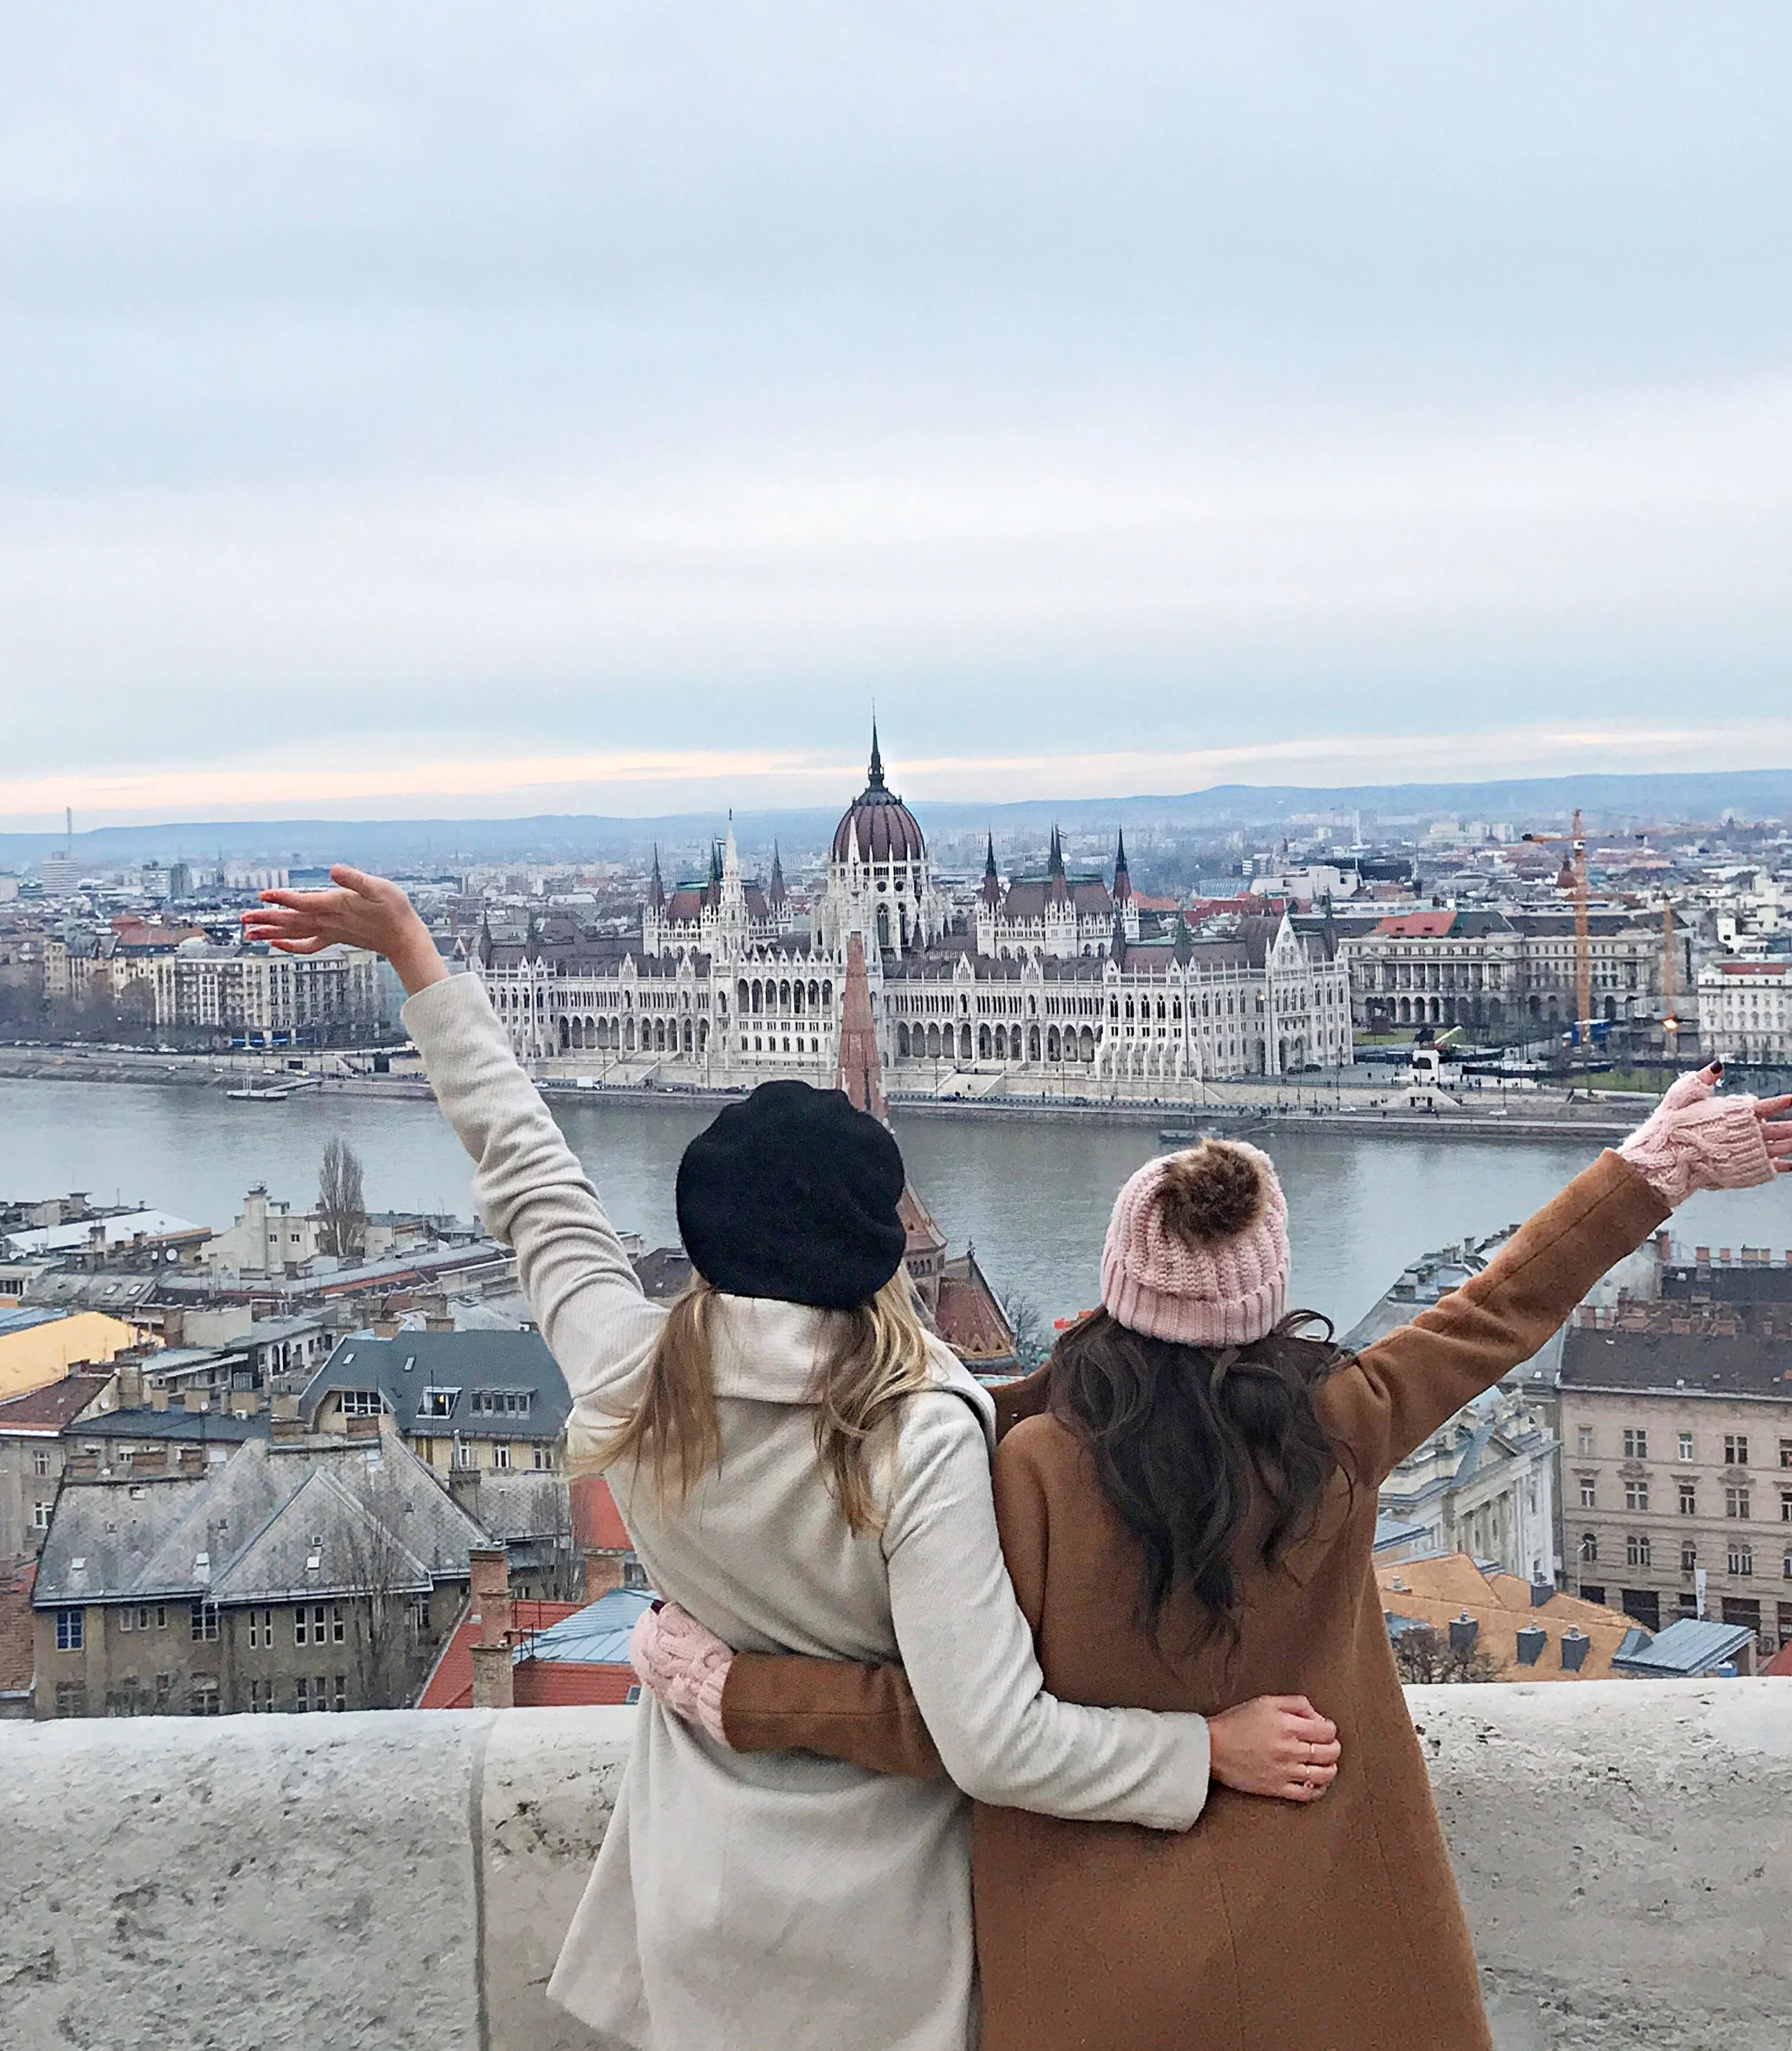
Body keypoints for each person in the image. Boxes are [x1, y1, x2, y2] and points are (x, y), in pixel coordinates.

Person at [241, 867, 1332, 2051]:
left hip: (696, 1917)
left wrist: (419, 962)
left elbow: (531, 1182)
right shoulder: (914, 1435)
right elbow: (998, 1739)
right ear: (880, 1250)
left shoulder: (630, 1377)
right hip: (882, 1947)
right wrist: (1202, 1751)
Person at [637, 1069, 1792, 2051]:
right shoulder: (1345, 1423)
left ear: (1113, 1291)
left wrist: (741, 1690)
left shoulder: (1021, 1465)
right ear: (1270, 1291)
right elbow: (1499, 1308)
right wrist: (1653, 1169)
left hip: (1095, 1971)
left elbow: (954, 1726)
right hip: (1333, 1945)